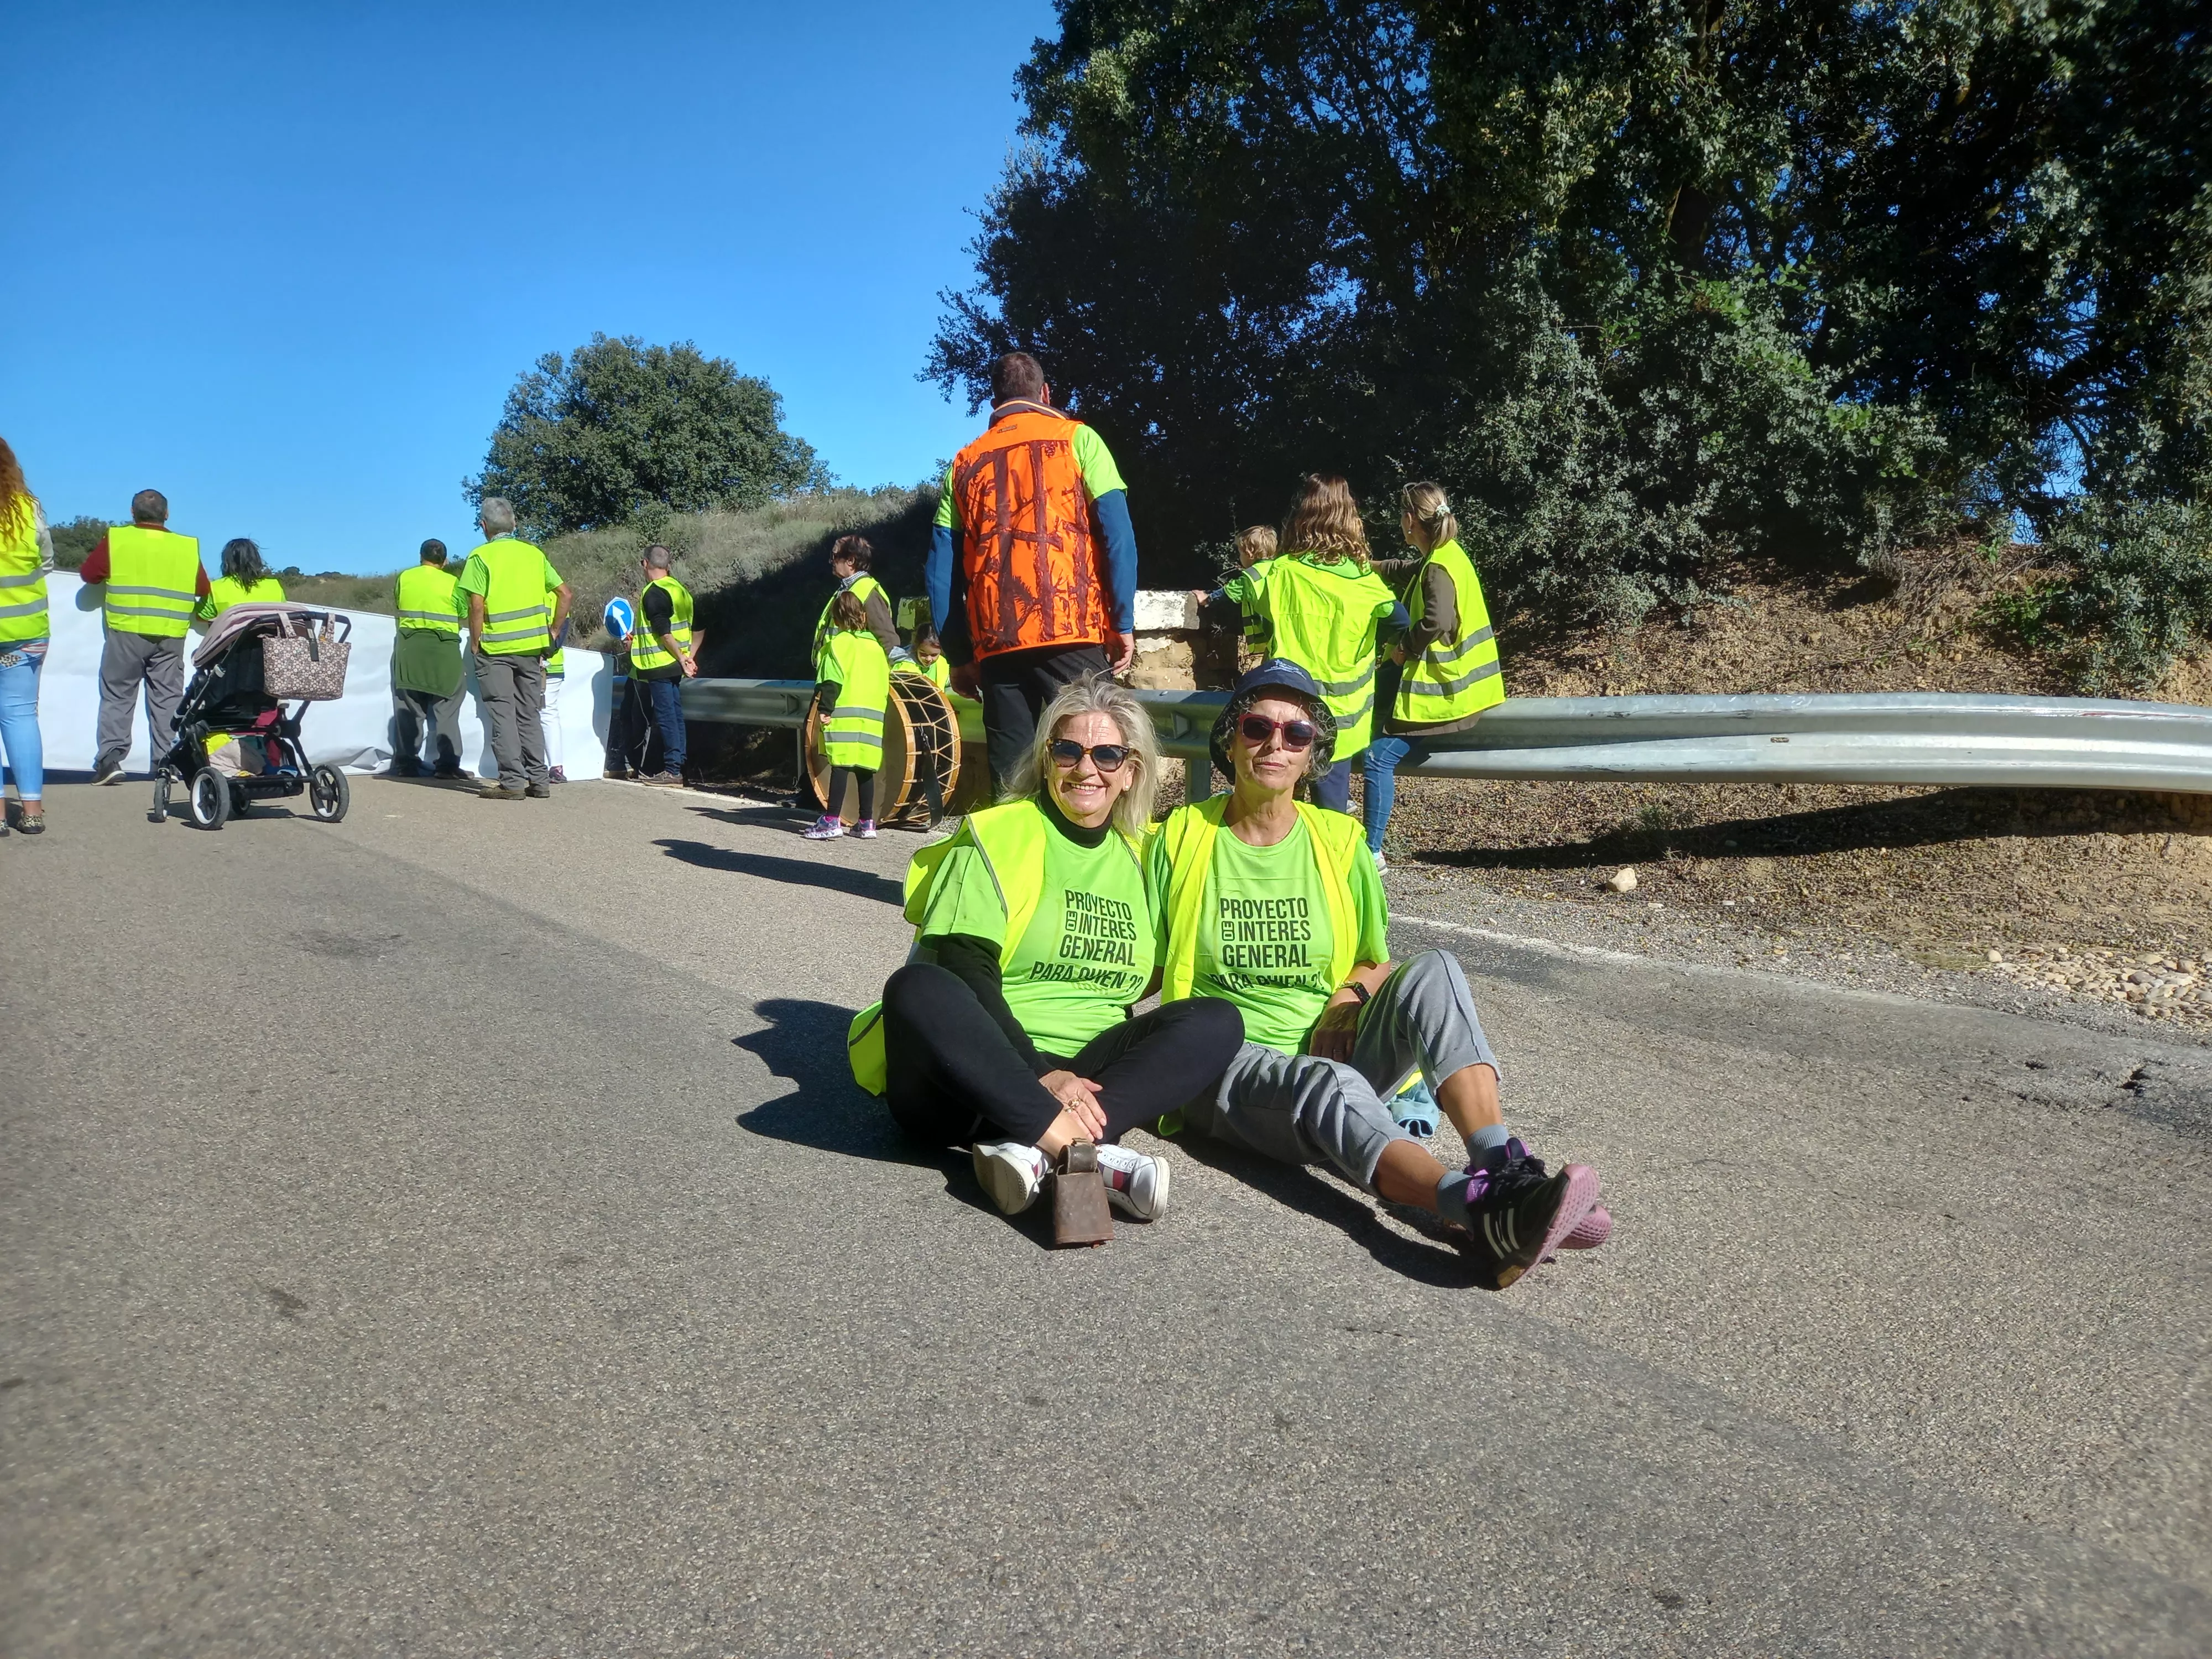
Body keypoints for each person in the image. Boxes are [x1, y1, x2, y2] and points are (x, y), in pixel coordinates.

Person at [1146, 660, 1606, 1287]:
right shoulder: (1180, 836)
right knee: (1327, 1085)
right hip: (1224, 1065)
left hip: (1331, 1044)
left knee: (1435, 968)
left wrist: (1348, 996)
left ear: (1314, 755)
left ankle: (1500, 1166)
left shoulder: (1339, 840)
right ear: (1230, 740)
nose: (1275, 744)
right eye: (1256, 727)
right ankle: (1472, 1207)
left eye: (1297, 734)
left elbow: (1374, 956)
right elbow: (1135, 960)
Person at [880, 677, 1244, 1220]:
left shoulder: (1144, 858)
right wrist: (1038, 1073)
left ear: (1130, 772)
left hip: (1087, 1074)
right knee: (919, 987)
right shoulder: (1000, 833)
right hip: (974, 1078)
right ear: (1047, 760)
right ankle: (1081, 1151)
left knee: (1216, 1020)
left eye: (1107, 754)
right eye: (1068, 750)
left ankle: (1034, 1147)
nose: (1086, 768)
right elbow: (966, 969)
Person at [928, 350, 1139, 794]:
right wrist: (1121, 623)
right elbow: (1118, 536)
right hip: (1072, 629)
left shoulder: (962, 465)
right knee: (1095, 767)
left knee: (1012, 782)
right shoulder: (1080, 440)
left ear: (994, 399)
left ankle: (1015, 863)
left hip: (997, 642)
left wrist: (959, 653)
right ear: (1045, 393)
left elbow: (940, 571)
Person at [1362, 482, 1507, 870]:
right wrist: (1366, 565)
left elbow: (1437, 620)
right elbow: (1406, 570)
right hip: (1465, 689)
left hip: (1446, 696)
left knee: (1377, 759)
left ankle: (1371, 851)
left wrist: (1404, 647)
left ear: (1410, 521)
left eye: (1399, 516)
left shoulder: (1438, 568)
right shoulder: (1444, 556)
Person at [1247, 476, 1399, 815]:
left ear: (1300, 518)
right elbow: (1400, 621)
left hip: (1284, 718)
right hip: (1342, 724)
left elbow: (1242, 595)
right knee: (1330, 818)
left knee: (1269, 811)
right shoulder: (1365, 581)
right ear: (1350, 519)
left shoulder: (1278, 573)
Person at [77, 489, 210, 784]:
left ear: (132, 513)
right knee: (168, 700)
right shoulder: (186, 546)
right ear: (167, 514)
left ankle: (111, 761)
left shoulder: (118, 538)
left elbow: (89, 575)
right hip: (171, 634)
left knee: (118, 696)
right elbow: (202, 589)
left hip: (126, 630)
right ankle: (168, 763)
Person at [457, 497, 569, 801]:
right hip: (533, 650)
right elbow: (565, 594)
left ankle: (512, 783)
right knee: (529, 714)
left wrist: (476, 641)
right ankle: (539, 781)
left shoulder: (481, 557)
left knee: (503, 714)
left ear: (484, 527)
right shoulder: (534, 555)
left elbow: (476, 604)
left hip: (496, 651)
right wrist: (554, 631)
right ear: (515, 524)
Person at [806, 590, 889, 839]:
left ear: (837, 619)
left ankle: (832, 820)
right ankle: (866, 823)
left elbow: (832, 682)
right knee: (865, 769)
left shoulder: (837, 646)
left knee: (840, 766)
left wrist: (824, 710)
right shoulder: (876, 648)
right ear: (863, 616)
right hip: (873, 718)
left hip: (843, 715)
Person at [0, 437, 52, 835]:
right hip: (27, 633)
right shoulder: (28, 508)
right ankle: (32, 810)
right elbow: (47, 561)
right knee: (20, 716)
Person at [390, 539, 468, 779]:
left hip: (409, 648)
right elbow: (463, 612)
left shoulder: (405, 578)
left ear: (420, 557)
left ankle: (406, 764)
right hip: (444, 650)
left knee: (409, 707)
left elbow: (398, 603)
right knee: (447, 707)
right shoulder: (452, 582)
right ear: (444, 561)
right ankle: (447, 766)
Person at [630, 543, 695, 789]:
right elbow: (697, 626)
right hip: (676, 663)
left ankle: (672, 770)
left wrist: (680, 657)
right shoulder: (680, 590)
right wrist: (688, 657)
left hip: (660, 663)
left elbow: (663, 631)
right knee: (675, 716)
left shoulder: (654, 591)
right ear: (668, 565)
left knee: (668, 717)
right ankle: (679, 765)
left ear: (646, 564)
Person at [1193, 523, 1279, 659]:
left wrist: (1207, 598)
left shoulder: (1252, 576)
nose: (1239, 557)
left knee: (1271, 668)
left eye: (1240, 552)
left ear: (1249, 553)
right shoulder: (1279, 568)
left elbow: (1230, 591)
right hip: (1285, 625)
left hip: (1273, 632)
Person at [811, 535, 898, 660]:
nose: (831, 561)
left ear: (851, 561)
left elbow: (888, 640)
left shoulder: (868, 591)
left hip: (856, 671)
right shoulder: (848, 588)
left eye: (835, 556)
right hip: (840, 669)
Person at [195, 539, 285, 621]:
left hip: (233, 639)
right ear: (256, 559)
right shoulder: (275, 586)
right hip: (268, 638)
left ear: (227, 562)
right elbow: (285, 615)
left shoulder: (215, 588)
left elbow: (202, 616)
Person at [539, 588, 569, 783]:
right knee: (549, 713)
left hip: (531, 662)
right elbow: (563, 628)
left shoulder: (525, 590)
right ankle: (556, 767)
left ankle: (528, 765)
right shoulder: (556, 595)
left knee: (523, 713)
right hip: (553, 663)